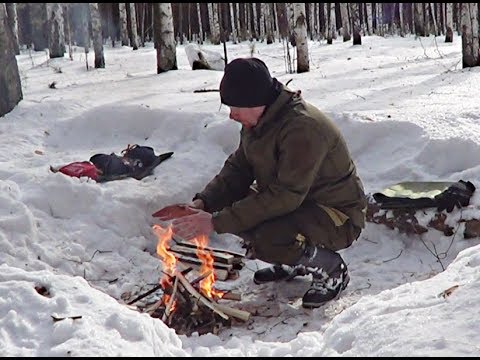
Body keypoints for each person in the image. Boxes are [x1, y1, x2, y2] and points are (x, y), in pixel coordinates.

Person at [156, 57, 368, 308]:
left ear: (254, 101)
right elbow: (238, 169)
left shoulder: (302, 128)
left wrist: (215, 222)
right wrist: (203, 204)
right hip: (301, 203)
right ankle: (293, 260)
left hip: (337, 215)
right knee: (241, 211)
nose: (232, 115)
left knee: (267, 237)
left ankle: (332, 270)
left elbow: (286, 195)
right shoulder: (260, 121)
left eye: (235, 107)